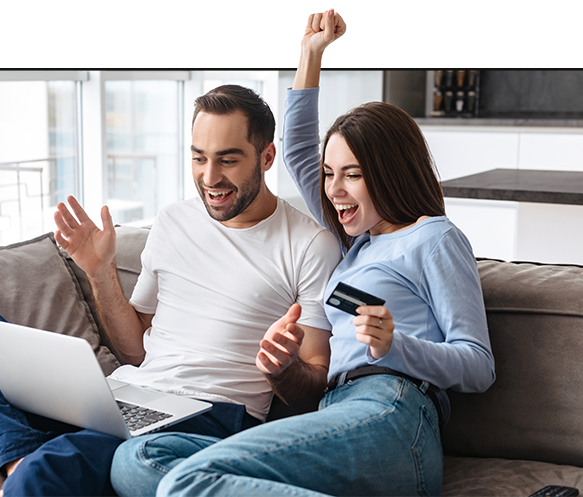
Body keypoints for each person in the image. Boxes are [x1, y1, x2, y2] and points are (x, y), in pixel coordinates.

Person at [142, 9, 496, 497]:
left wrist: (395, 346)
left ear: (390, 172)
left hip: (392, 408)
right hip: (337, 410)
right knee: (145, 463)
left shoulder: (433, 237)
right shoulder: (354, 242)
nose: (333, 190)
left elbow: (478, 366)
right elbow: (296, 151)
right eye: (329, 174)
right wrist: (310, 55)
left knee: (186, 480)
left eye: (352, 174)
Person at [0, 84, 341, 497]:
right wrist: (100, 272)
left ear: (266, 157)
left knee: (67, 459)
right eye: (199, 158)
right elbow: (135, 351)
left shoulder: (309, 245)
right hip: (130, 393)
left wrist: (283, 367)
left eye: (227, 160)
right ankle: (21, 460)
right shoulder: (173, 220)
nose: (210, 177)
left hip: (213, 417)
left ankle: (34, 471)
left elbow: (313, 388)